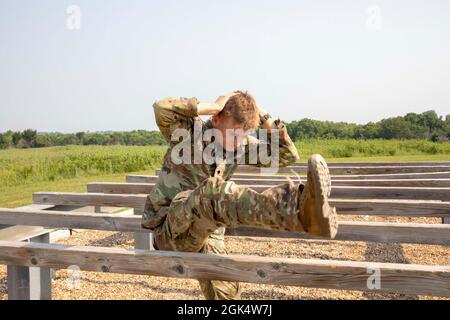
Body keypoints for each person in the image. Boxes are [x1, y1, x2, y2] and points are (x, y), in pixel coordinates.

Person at [141, 91, 338, 299]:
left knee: (226, 292)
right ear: (216, 119)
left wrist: (263, 117)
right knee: (212, 192)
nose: (239, 141)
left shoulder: (239, 145)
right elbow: (161, 108)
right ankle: (300, 212)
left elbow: (287, 154)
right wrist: (214, 106)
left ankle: (306, 212)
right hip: (170, 230)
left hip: (207, 234)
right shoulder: (189, 131)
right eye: (235, 133)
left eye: (245, 134)